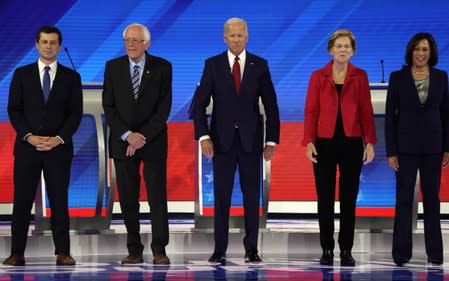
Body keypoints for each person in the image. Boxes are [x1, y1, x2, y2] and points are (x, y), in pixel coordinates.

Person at [191, 17, 280, 263]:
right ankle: (220, 249)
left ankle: (252, 248)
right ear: (225, 37)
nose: (237, 39)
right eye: (232, 35)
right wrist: (204, 136)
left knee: (252, 196)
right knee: (222, 196)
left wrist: (272, 140)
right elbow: (198, 106)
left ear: (247, 37)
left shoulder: (259, 65)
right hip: (221, 141)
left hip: (252, 142)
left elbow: (271, 105)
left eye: (240, 35)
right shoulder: (212, 64)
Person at [4, 25, 82, 266]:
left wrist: (58, 139)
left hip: (58, 148)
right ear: (37, 45)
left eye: (53, 42)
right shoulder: (21, 74)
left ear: (59, 46)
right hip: (28, 147)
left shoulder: (71, 77)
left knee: (59, 200)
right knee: (22, 200)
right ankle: (17, 252)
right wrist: (28, 136)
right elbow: (14, 110)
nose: (49, 46)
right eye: (44, 42)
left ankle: (63, 252)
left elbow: (75, 113)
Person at [302, 29, 376, 266]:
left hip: (352, 142)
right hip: (324, 142)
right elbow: (311, 111)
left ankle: (346, 250)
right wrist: (309, 141)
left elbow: (366, 111)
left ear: (352, 50)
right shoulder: (318, 76)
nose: (342, 50)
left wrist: (370, 142)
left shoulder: (360, 76)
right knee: (324, 198)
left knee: (348, 198)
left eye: (347, 46)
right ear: (330, 49)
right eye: (338, 46)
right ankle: (327, 249)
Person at [102, 23, 172, 265]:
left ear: (147, 43)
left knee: (157, 197)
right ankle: (134, 249)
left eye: (136, 40)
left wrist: (142, 136)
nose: (130, 44)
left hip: (152, 142)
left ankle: (160, 248)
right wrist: (127, 135)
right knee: (129, 198)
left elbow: (163, 108)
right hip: (123, 143)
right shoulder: (113, 67)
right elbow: (108, 107)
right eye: (127, 40)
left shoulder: (163, 67)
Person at [385, 32, 449, 266]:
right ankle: (401, 254)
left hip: (433, 147)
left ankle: (435, 253)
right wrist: (391, 151)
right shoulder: (397, 77)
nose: (420, 54)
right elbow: (390, 118)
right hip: (405, 149)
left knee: (432, 199)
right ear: (410, 51)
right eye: (417, 49)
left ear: (431, 53)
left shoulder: (442, 77)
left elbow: (446, 115)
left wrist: (447, 148)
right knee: (403, 200)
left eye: (425, 49)